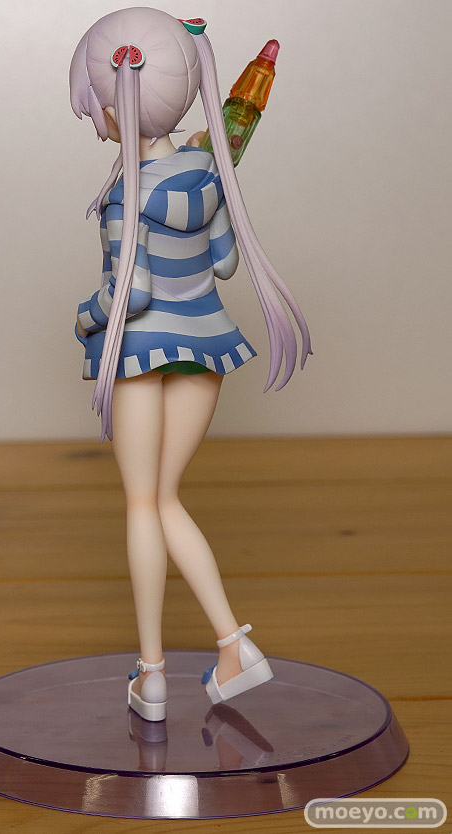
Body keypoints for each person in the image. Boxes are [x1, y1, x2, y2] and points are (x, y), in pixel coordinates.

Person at [69, 7, 312, 721]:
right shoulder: (209, 172)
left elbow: (131, 293)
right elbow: (227, 262)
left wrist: (83, 318)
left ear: (116, 102)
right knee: (168, 499)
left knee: (144, 504)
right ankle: (234, 646)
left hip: (142, 354)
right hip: (208, 347)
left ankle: (152, 677)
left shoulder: (126, 197)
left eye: (94, 103)